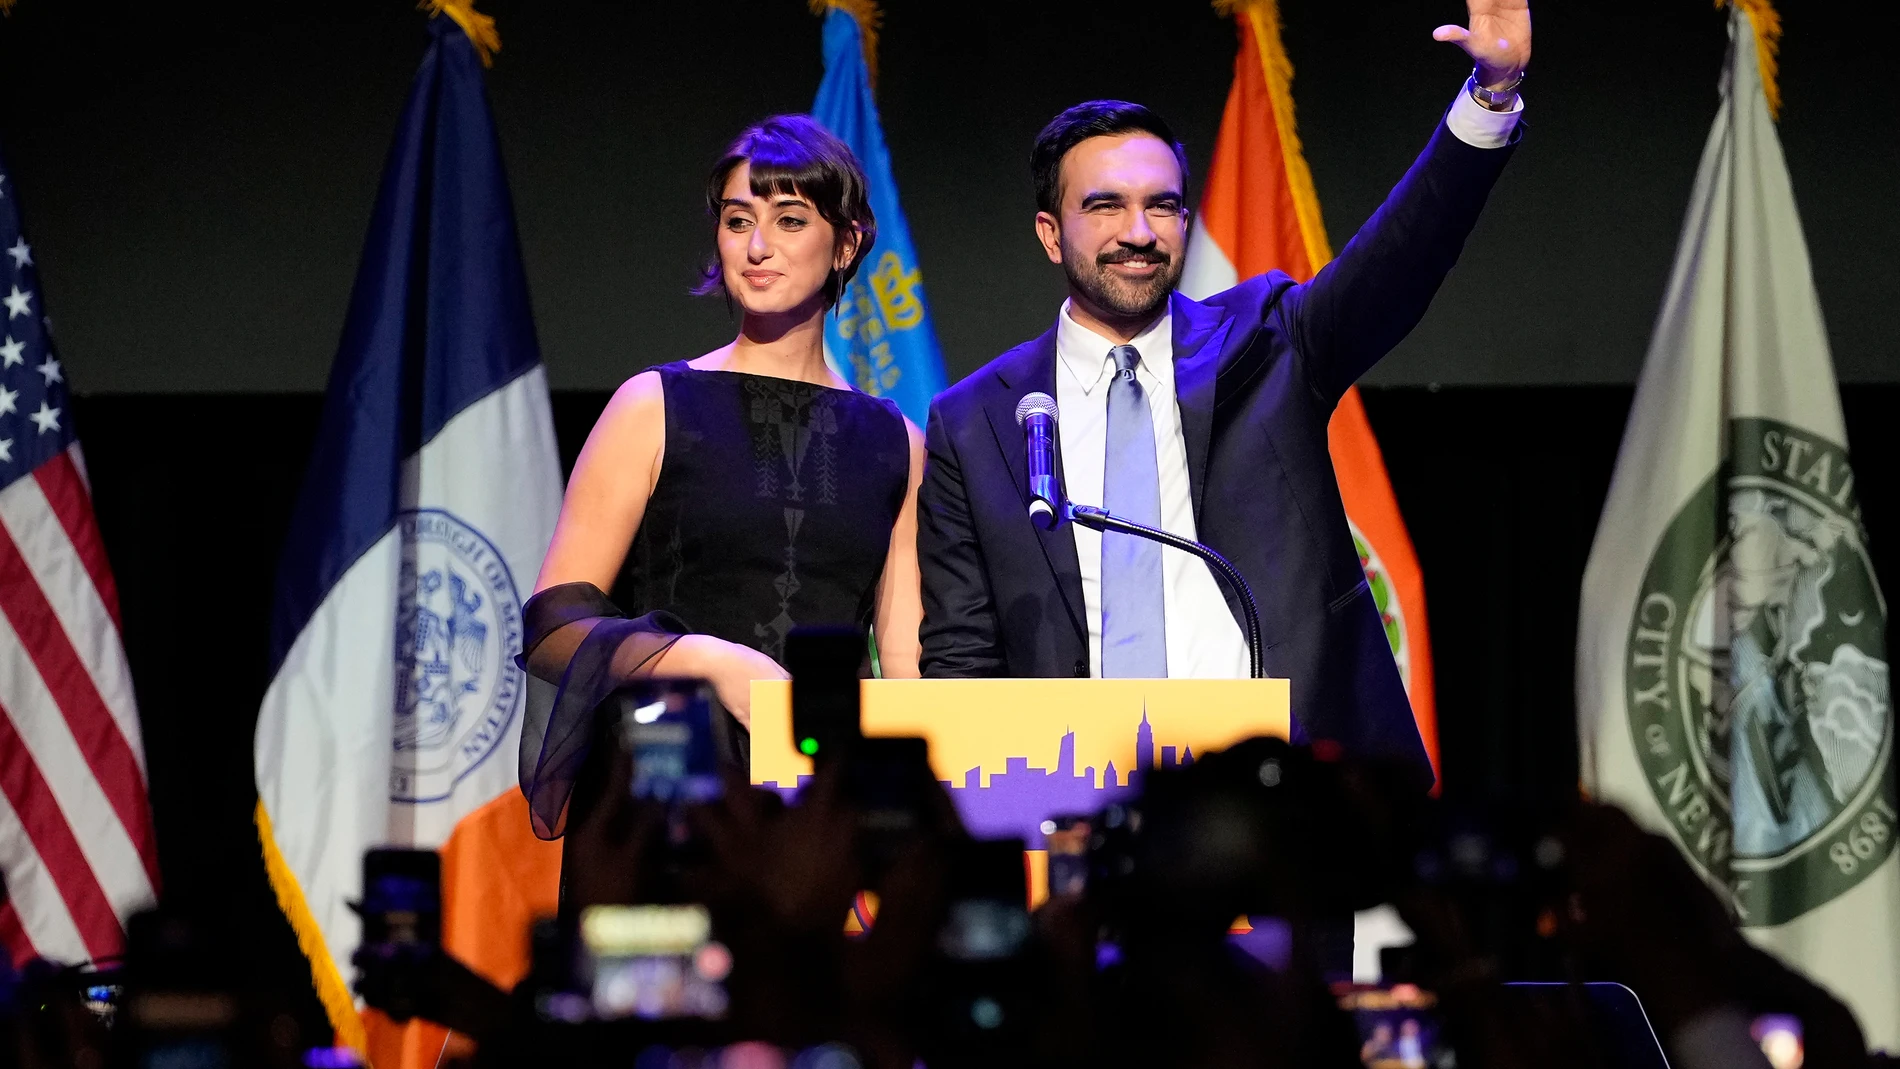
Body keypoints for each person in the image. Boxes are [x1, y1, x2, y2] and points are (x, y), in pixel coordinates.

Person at [915, 0, 1531, 792]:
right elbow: (963, 662)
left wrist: (1490, 97)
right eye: (1104, 205)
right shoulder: (977, 422)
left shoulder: (1269, 340)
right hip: (1086, 817)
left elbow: (1399, 261)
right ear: (1049, 232)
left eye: (1163, 205)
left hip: (1285, 806)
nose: (1140, 230)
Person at [517, 115, 927, 844]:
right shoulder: (653, 405)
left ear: (849, 244)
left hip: (817, 805)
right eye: (739, 220)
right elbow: (555, 626)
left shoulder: (899, 441)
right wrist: (710, 659)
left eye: (790, 220)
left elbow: (903, 663)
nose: (758, 246)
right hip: (667, 793)